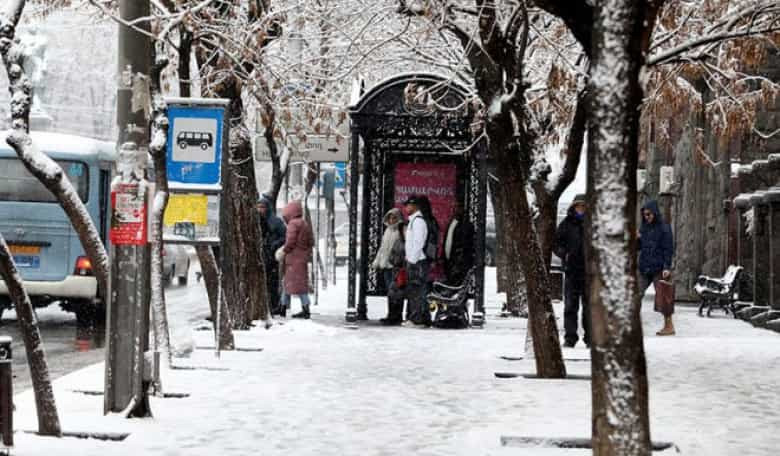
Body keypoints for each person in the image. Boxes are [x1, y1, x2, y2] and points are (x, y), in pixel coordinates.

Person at [554, 193, 590, 348]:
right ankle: (570, 337)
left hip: (589, 273)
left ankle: (590, 338)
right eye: (578, 206)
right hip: (572, 271)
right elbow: (556, 243)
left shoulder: (593, 224)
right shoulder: (566, 224)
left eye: (583, 206)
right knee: (570, 307)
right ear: (574, 207)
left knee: (589, 308)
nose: (580, 208)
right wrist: (565, 254)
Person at [638, 199, 676, 336]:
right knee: (635, 295)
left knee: (664, 297)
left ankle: (669, 326)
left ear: (655, 213)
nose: (646, 217)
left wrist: (666, 267)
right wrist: (636, 239)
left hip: (659, 267)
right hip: (644, 267)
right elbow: (639, 247)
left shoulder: (664, 227)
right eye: (644, 215)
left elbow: (668, 249)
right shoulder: (643, 228)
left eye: (649, 214)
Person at [277, 200, 314, 319]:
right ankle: (287, 306)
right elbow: (311, 241)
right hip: (301, 259)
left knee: (290, 284)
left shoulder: (293, 224)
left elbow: (290, 242)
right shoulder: (304, 223)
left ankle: (286, 308)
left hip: (293, 259)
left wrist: (284, 251)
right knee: (297, 285)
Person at [371, 208, 406, 326]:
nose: (392, 220)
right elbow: (382, 248)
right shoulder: (387, 231)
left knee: (397, 292)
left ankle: (397, 315)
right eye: (390, 218)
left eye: (394, 218)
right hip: (386, 265)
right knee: (390, 292)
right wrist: (377, 261)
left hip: (395, 266)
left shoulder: (401, 231)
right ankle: (391, 314)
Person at [402, 195, 432, 327]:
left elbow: (418, 243)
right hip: (416, 260)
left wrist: (412, 260)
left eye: (408, 205)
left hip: (417, 261)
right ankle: (418, 317)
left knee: (416, 291)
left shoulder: (418, 222)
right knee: (415, 290)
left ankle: (417, 318)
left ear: (415, 206)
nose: (406, 208)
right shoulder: (414, 221)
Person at [257, 195, 286, 317]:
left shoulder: (276, 222)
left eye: (262, 207)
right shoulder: (256, 221)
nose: (260, 209)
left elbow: (284, 237)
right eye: (258, 207)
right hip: (260, 255)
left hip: (271, 256)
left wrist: (274, 244)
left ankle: (274, 305)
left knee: (272, 283)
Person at [442, 201, 474, 286]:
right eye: (455, 207)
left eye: (458, 207)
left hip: (457, 262)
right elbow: (448, 239)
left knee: (456, 282)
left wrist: (458, 260)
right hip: (449, 260)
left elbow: (465, 244)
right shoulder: (453, 221)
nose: (455, 209)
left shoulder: (466, 225)